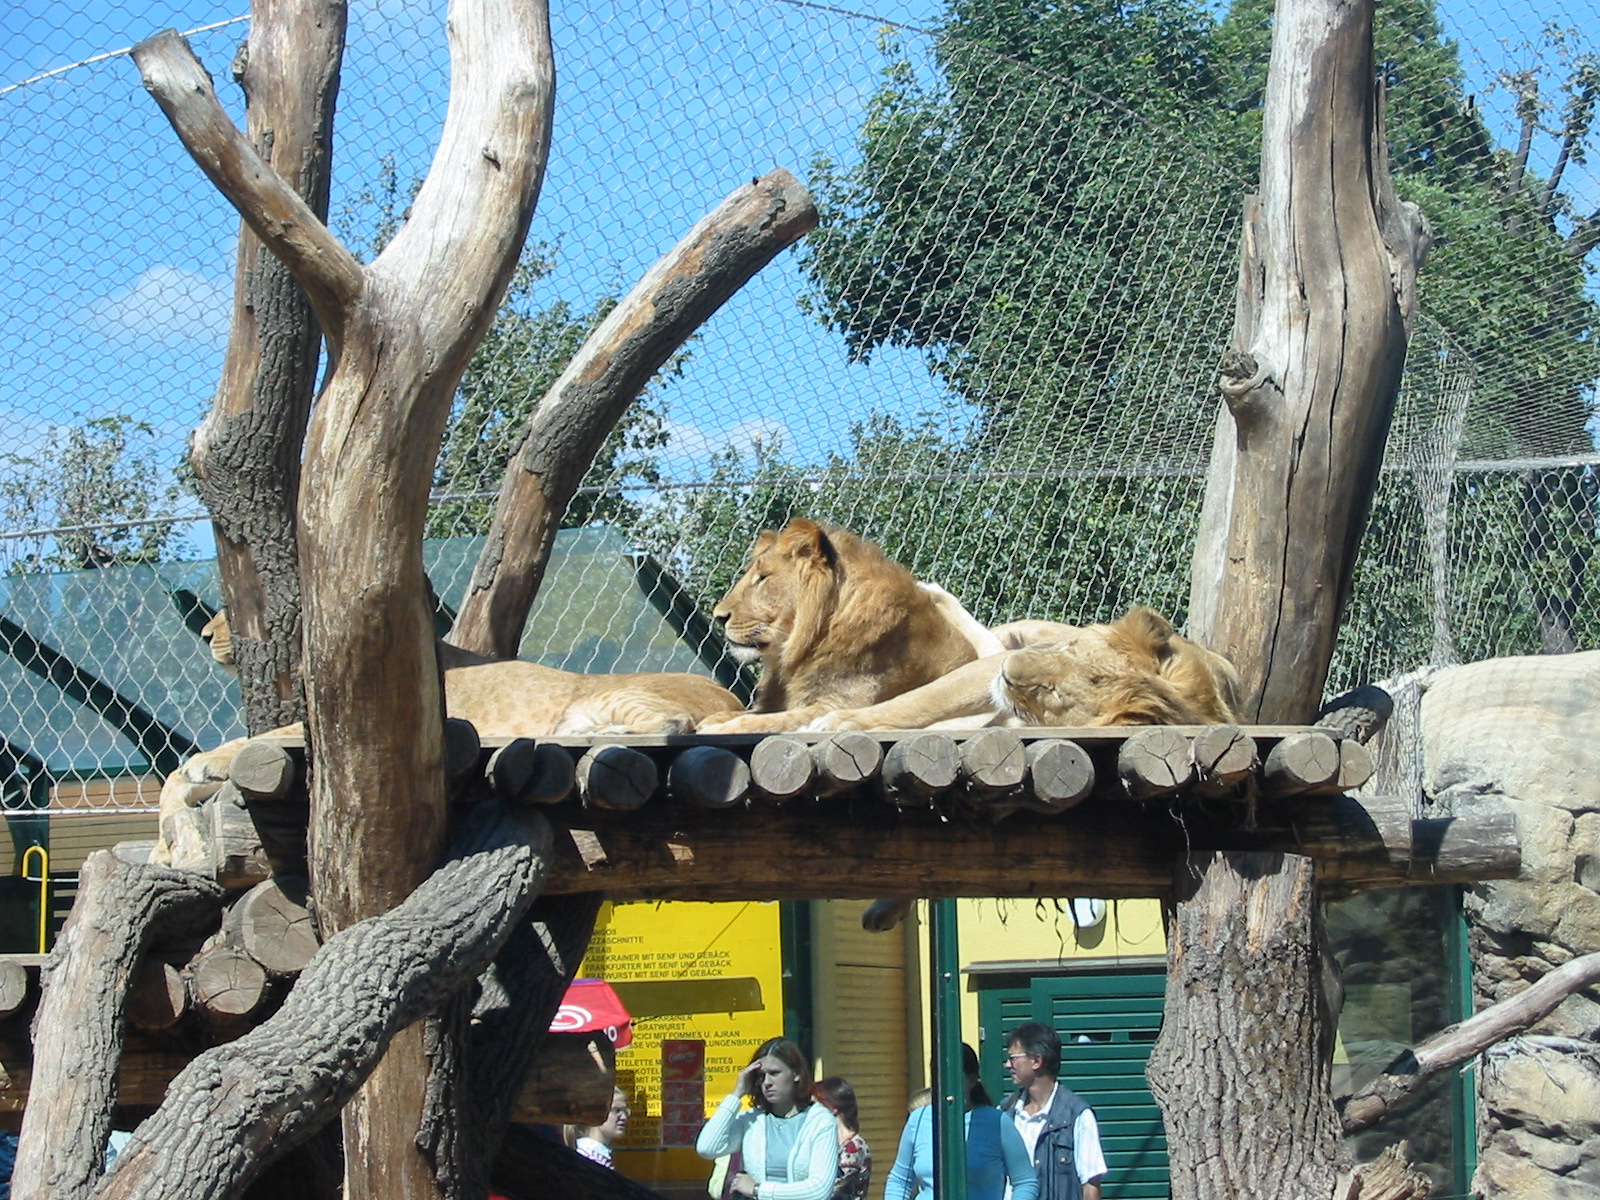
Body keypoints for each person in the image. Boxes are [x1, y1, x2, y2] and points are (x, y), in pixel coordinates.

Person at [883, 1044, 1038, 1200]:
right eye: (938, 1076)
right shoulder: (919, 1119)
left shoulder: (998, 1122)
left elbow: (1025, 1181)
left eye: (952, 1077)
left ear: (971, 1080)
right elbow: (899, 1180)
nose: (943, 1084)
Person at [697, 1037, 840, 1200]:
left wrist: (758, 1190)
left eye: (774, 1073)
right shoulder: (752, 1121)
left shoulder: (820, 1121)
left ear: (796, 1074)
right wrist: (737, 1093)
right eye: (761, 1076)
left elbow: (819, 1191)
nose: (766, 1082)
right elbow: (707, 1147)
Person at [1000, 1022, 1108, 1200]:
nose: (1007, 1065)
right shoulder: (1005, 1113)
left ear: (1036, 1061)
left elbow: (1090, 1186)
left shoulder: (1077, 1116)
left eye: (1013, 1058)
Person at [811, 1076, 871, 1200]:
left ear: (833, 1107)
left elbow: (832, 1189)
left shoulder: (854, 1147)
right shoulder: (821, 1141)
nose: (809, 1111)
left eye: (814, 1105)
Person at [567, 1086, 630, 1169]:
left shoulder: (598, 1155)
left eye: (625, 1111)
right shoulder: (586, 1157)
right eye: (617, 1110)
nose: (624, 1117)